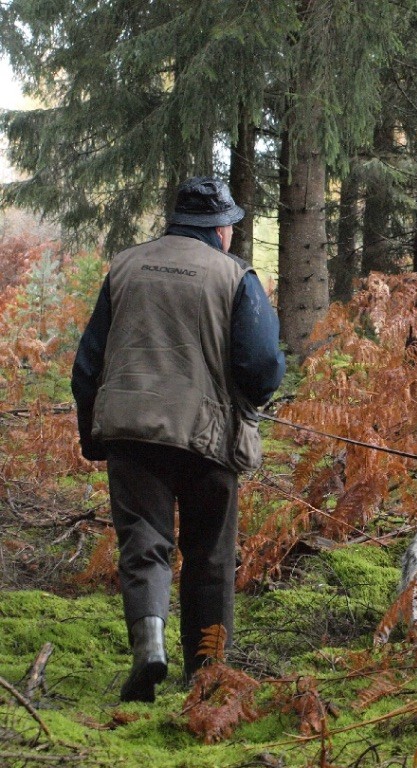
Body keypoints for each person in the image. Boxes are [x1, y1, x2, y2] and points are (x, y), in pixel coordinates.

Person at [71, 177, 286, 701]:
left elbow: (86, 366)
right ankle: (206, 675)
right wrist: (252, 401)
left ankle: (150, 651)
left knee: (145, 544)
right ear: (221, 229)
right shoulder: (235, 277)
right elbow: (261, 367)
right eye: (231, 225)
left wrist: (93, 435)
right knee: (210, 553)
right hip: (207, 437)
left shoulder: (124, 267)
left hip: (131, 429)